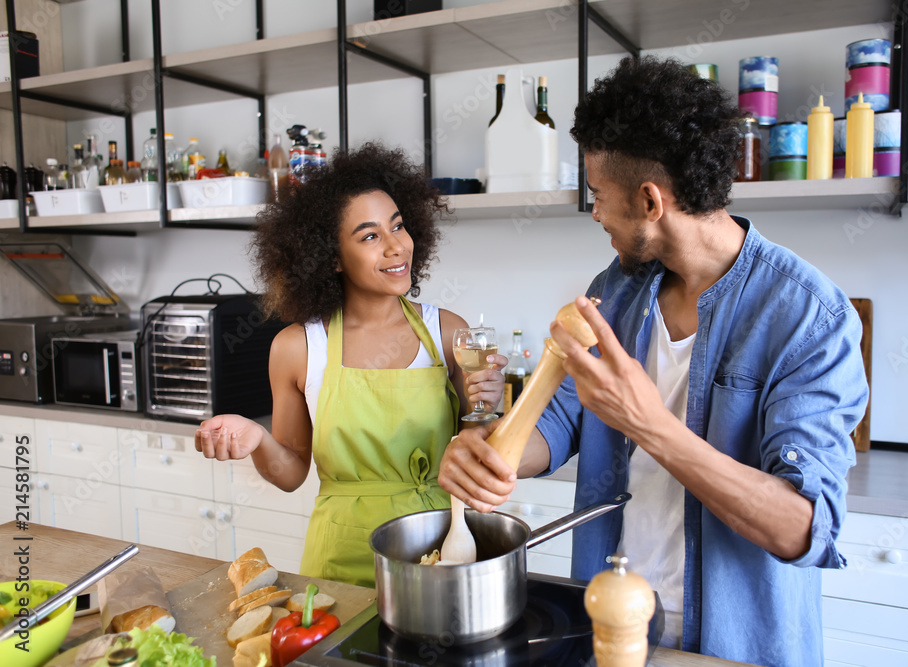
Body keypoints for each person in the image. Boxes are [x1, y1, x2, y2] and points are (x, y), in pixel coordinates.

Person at [438, 56, 868, 667]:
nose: (593, 214)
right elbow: (558, 424)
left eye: (598, 196)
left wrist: (651, 425)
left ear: (649, 200)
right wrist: (490, 454)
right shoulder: (614, 291)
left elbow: (803, 527)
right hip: (610, 628)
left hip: (734, 649)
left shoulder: (807, 317)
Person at [194, 142, 506, 588]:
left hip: (441, 547)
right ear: (332, 258)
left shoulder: (448, 333)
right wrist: (257, 438)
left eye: (398, 226)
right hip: (341, 559)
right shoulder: (298, 347)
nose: (397, 247)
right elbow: (291, 473)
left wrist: (487, 408)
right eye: (370, 236)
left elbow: (480, 452)